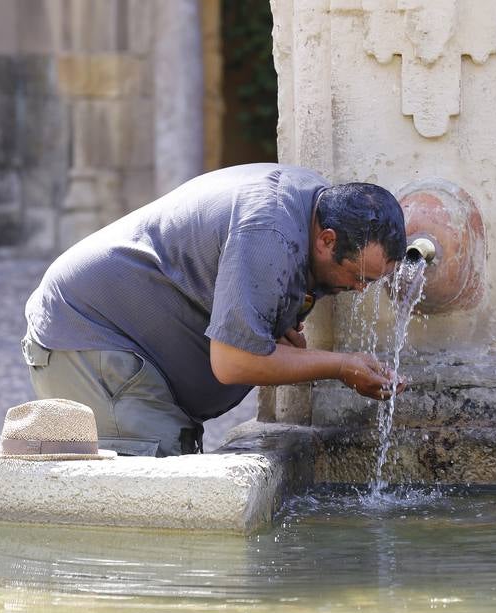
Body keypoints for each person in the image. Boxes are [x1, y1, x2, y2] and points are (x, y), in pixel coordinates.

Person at [22, 163, 407, 457]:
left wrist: (277, 317)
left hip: (111, 342)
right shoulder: (270, 230)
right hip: (91, 338)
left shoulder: (312, 204)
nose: (359, 290)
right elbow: (233, 362)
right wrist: (341, 366)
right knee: (159, 496)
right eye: (358, 277)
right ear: (327, 240)